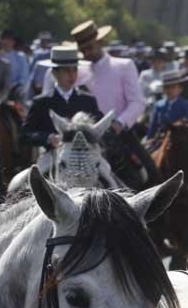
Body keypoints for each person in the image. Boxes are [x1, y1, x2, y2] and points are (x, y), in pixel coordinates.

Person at [48, 19, 154, 186]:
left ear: (101, 42)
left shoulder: (124, 65)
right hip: (81, 138)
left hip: (118, 134)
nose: (86, 53)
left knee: (150, 173)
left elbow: (137, 102)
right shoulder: (77, 71)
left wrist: (119, 124)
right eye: (82, 50)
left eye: (90, 48)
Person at [22, 45, 101, 150]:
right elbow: (25, 135)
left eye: (74, 70)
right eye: (67, 71)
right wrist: (48, 138)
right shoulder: (41, 102)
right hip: (52, 156)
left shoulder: (88, 100)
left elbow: (101, 129)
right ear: (55, 73)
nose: (72, 75)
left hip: (84, 158)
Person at [146, 69, 188, 144]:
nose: (170, 90)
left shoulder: (185, 104)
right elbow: (153, 126)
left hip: (177, 141)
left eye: (173, 87)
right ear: (163, 89)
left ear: (180, 89)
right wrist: (149, 139)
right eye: (167, 87)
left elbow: (186, 124)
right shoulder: (158, 105)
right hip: (159, 140)